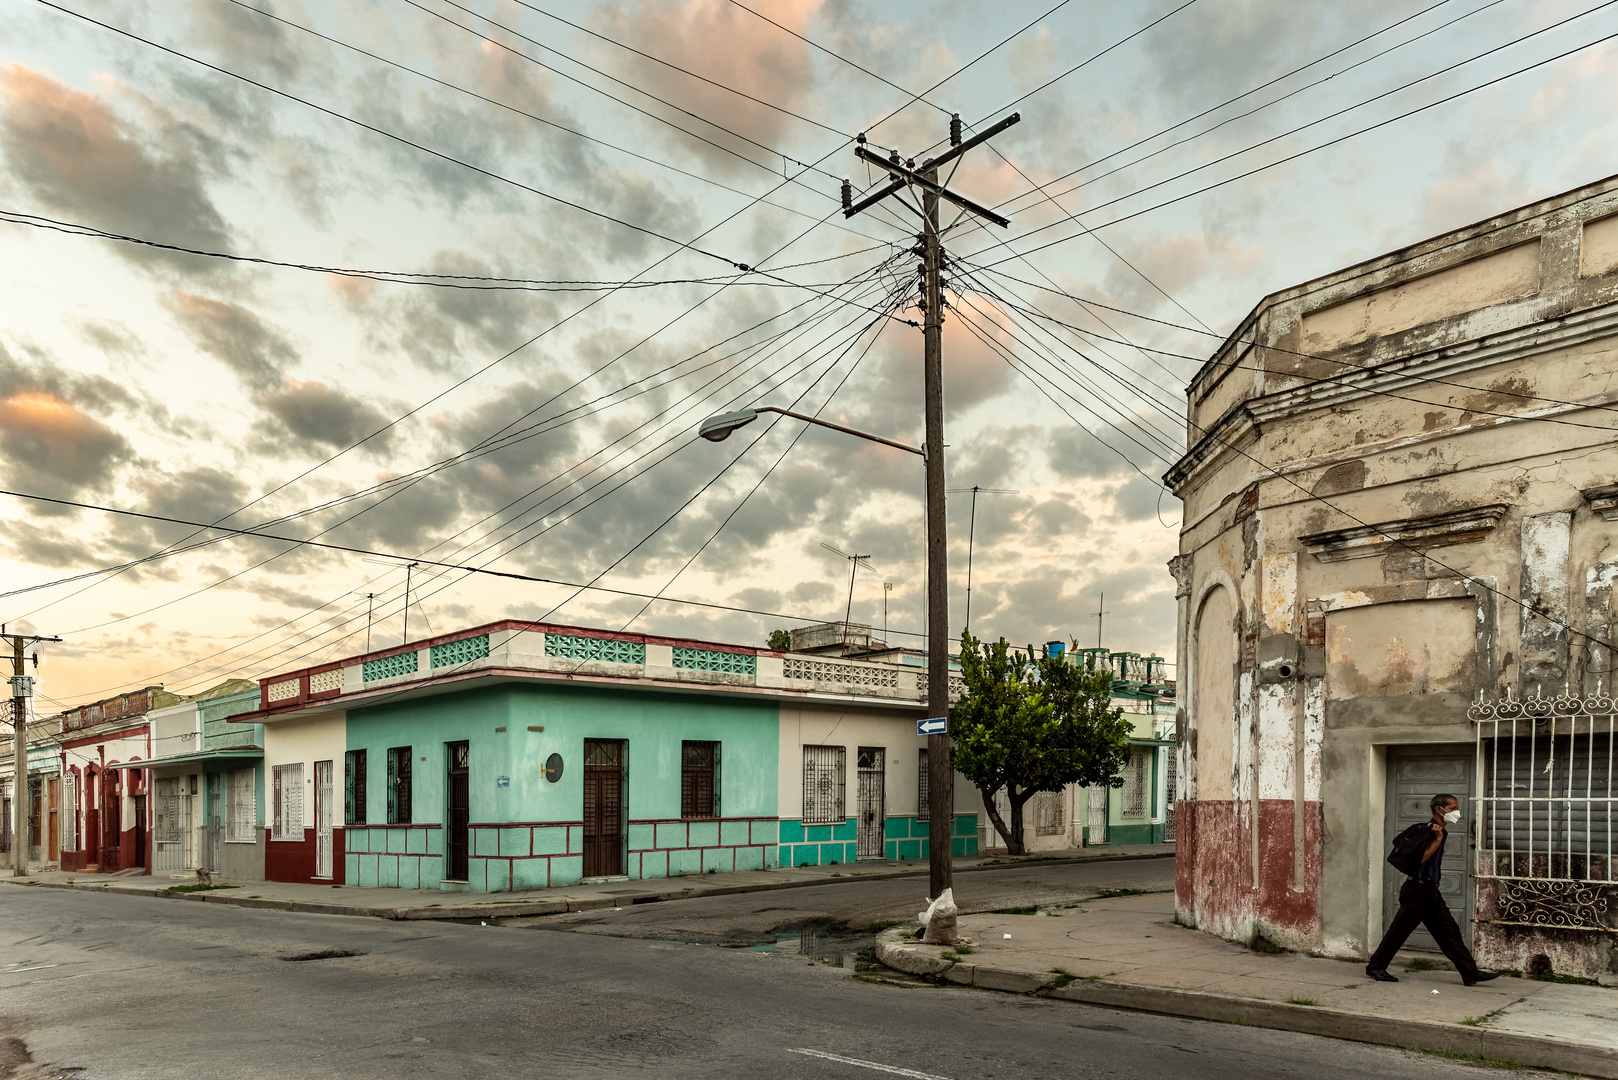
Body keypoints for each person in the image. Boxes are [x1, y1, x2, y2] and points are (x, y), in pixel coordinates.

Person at [1366, 793, 1498, 985]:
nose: (1457, 813)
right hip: (1416, 891)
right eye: (1453, 809)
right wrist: (1436, 840)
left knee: (1449, 932)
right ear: (1439, 809)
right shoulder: (1424, 831)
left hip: (1430, 892)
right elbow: (1417, 860)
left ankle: (1470, 973)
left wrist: (1439, 837)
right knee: (1399, 931)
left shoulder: (1442, 832)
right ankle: (1376, 967)